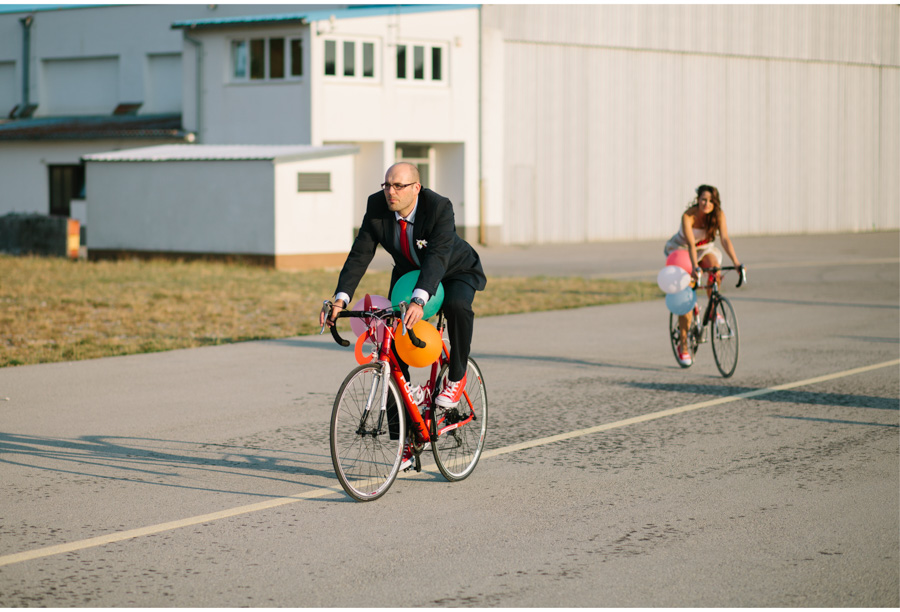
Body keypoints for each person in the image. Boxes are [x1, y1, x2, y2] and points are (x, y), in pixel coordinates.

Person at [320, 161, 486, 423]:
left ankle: (456, 376)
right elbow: (360, 254)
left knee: (457, 306)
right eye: (387, 185)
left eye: (399, 185)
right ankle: (404, 442)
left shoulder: (438, 207)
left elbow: (437, 257)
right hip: (408, 275)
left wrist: (419, 300)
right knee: (390, 344)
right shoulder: (377, 206)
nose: (390, 192)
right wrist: (341, 298)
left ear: (416, 188)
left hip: (454, 270)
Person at [664, 184, 743, 366]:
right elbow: (691, 245)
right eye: (703, 200)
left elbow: (724, 239)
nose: (707, 204)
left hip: (704, 249)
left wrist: (736, 263)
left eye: (710, 201)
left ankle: (713, 308)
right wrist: (694, 267)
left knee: (714, 268)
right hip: (682, 250)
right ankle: (683, 345)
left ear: (715, 203)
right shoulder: (688, 216)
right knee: (685, 295)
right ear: (698, 200)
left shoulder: (718, 215)